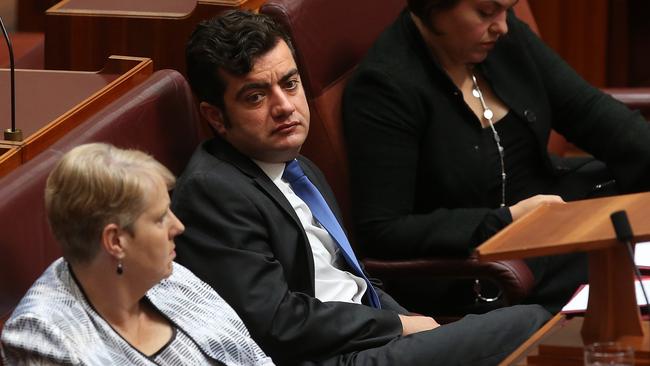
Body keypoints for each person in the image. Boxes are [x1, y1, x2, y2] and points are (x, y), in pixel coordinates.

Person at [172, 9, 551, 366]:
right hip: (330, 356)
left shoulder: (298, 167)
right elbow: (277, 323)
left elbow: (353, 279)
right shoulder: (214, 193)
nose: (285, 106)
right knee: (528, 323)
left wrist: (409, 322)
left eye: (290, 84)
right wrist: (400, 326)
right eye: (256, 96)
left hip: (369, 336)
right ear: (216, 118)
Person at [342, 0, 650, 313]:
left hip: (549, 219)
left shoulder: (503, 35)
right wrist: (507, 220)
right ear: (433, 7)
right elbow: (383, 231)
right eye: (486, 12)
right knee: (624, 271)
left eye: (508, 8)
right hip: (479, 265)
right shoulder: (384, 87)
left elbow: (589, 113)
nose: (502, 25)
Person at [0, 143, 274, 366]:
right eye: (159, 218)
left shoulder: (170, 276)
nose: (178, 226)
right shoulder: (44, 338)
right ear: (115, 241)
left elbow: (253, 357)